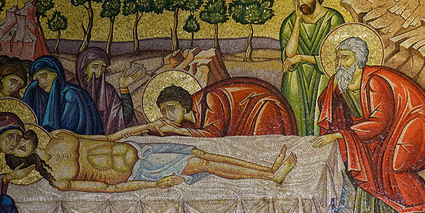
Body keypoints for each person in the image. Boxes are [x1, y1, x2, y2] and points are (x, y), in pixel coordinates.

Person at [314, 36, 425, 213]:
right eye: (338, 58)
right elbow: (334, 108)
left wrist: (340, 135)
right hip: (375, 132)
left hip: (411, 122)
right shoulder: (343, 81)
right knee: (365, 164)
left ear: (359, 60)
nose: (339, 63)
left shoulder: (375, 81)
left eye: (345, 58)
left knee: (396, 167)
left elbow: (380, 121)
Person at [0, 118, 297, 191]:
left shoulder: (61, 137)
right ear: (16, 158)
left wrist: (147, 126)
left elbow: (110, 137)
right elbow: (107, 188)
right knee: (201, 163)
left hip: (142, 150)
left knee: (203, 151)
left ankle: (268, 169)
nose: (18, 144)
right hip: (141, 172)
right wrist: (154, 185)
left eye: (15, 137)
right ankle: (271, 176)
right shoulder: (59, 180)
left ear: (24, 131)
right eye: (12, 149)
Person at [117, 79, 295, 139]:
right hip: (242, 122)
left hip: (261, 108)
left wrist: (179, 131)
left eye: (171, 108)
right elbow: (162, 132)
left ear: (185, 105)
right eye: (163, 111)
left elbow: (213, 135)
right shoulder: (187, 121)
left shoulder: (211, 100)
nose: (167, 115)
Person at [280, 0, 344, 136]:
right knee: (295, 123)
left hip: (322, 75)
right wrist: (298, 20)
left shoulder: (333, 19)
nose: (300, 2)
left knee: (320, 118)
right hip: (297, 78)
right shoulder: (290, 22)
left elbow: (333, 59)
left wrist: (302, 58)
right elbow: (289, 54)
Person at [22, 55, 103, 135]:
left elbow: (67, 131)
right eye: (37, 79)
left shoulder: (70, 95)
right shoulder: (40, 97)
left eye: (44, 75)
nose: (42, 82)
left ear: (56, 74)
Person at [75, 46, 142, 134]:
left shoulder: (108, 91)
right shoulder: (71, 89)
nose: (99, 72)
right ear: (83, 68)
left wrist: (123, 87)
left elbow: (123, 117)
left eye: (103, 68)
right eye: (95, 67)